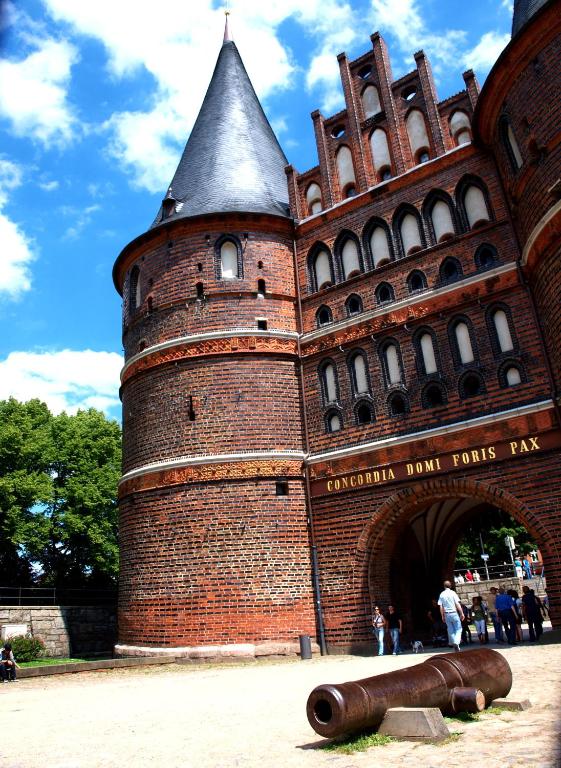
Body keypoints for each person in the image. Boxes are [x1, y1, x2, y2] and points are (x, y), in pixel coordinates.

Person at [438, 580, 464, 652]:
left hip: (446, 614)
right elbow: (457, 604)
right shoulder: (453, 593)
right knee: (458, 629)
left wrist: (442, 616)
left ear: (444, 586)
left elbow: (441, 606)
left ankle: (455, 644)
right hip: (454, 613)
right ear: (450, 586)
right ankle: (456, 642)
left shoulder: (442, 594)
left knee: (450, 630)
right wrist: (461, 613)